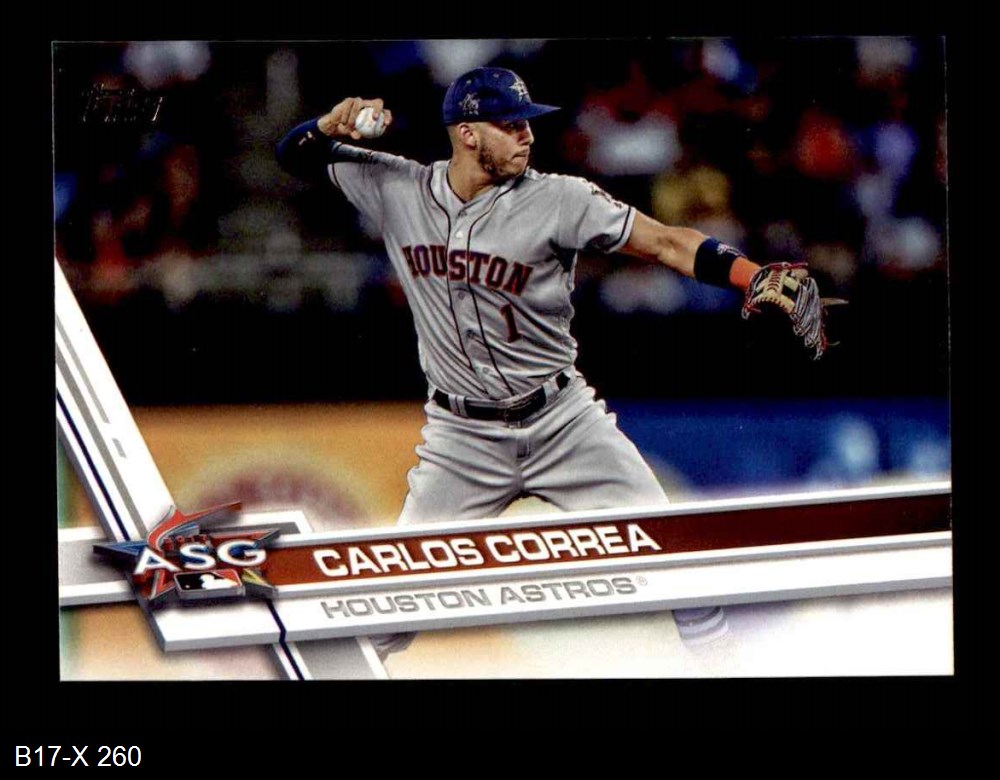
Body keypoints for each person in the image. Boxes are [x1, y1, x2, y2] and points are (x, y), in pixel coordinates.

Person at [277, 66, 826, 661]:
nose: (528, 135)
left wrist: (751, 274)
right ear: (467, 133)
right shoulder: (397, 186)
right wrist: (326, 126)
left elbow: (667, 242)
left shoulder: (560, 199)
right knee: (387, 613)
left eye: (527, 123)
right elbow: (292, 156)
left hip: (562, 421)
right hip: (462, 439)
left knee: (679, 567)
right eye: (510, 124)